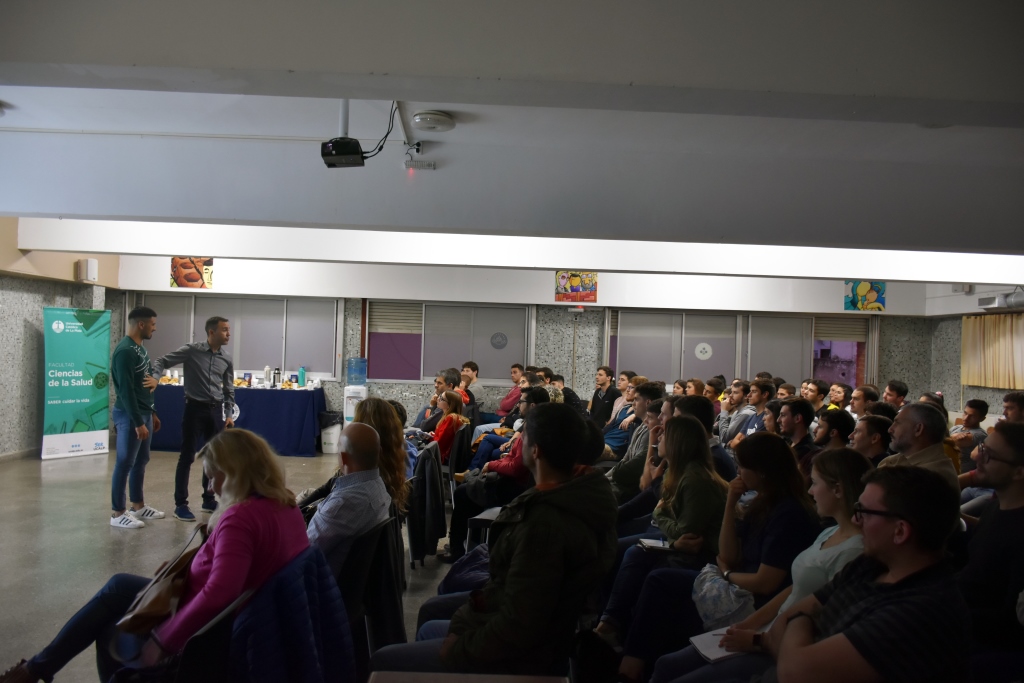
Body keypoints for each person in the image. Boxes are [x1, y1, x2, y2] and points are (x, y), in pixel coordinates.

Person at [1, 429, 309, 683]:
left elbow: (220, 592)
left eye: (212, 477)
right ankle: (37, 669)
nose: (211, 487)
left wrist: (164, 640)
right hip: (240, 614)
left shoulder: (240, 518)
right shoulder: (285, 505)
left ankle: (37, 670)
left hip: (207, 627)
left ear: (232, 473)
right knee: (118, 586)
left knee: (111, 626)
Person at [371, 403, 617, 676]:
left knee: (384, 660)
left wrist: (461, 647)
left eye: (524, 439)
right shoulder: (572, 495)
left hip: (526, 653)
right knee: (431, 613)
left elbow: (521, 623)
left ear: (535, 451)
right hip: (525, 626)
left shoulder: (545, 526)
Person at [650, 448, 870, 683]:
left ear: (837, 489)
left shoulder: (854, 551)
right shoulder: (830, 531)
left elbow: (824, 624)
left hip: (780, 648)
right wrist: (747, 625)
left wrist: (758, 640)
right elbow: (793, 591)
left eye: (815, 483)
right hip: (768, 628)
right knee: (666, 664)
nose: (810, 490)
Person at [616, 432, 820, 682]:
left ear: (762, 471)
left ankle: (632, 661)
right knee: (656, 577)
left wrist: (726, 573)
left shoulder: (789, 514)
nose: (738, 471)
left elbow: (765, 581)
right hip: (736, 582)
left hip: (753, 598)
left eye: (743, 467)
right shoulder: (763, 502)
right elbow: (728, 554)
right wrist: (730, 501)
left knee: (658, 579)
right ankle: (632, 657)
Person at [756, 467, 969, 683]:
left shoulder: (921, 612)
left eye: (864, 512)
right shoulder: (870, 564)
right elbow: (784, 633)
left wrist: (800, 618)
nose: (856, 521)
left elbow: (794, 673)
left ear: (900, 531)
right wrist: (801, 628)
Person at [595, 416, 729, 648]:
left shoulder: (695, 479)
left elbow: (688, 536)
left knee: (632, 553)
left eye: (665, 434)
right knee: (617, 544)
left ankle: (611, 626)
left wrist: (659, 515)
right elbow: (651, 500)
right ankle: (609, 622)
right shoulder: (677, 472)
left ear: (678, 441)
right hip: (676, 539)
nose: (658, 438)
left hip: (704, 553)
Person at [440, 387, 550, 562]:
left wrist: (491, 465)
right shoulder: (538, 424)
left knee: (462, 493)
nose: (519, 405)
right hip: (517, 483)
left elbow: (516, 467)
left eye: (521, 402)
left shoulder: (533, 428)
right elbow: (515, 459)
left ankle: (457, 550)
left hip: (515, 488)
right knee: (471, 488)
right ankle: (472, 544)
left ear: (533, 405)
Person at [150, 315, 235, 522]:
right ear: (211, 332)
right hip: (194, 410)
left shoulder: (226, 358)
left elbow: (229, 388)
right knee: (187, 457)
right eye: (224, 330)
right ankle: (181, 505)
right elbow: (162, 360)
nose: (229, 334)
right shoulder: (192, 350)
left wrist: (229, 413)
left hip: (215, 412)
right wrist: (155, 376)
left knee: (213, 458)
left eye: (229, 330)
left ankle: (208, 499)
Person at [958, 421, 1024, 657]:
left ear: (1019, 471)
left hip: (988, 648)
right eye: (982, 449)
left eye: (989, 455)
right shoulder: (998, 505)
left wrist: (942, 607)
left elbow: (1010, 622)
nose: (978, 459)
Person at [306, 422, 392, 574]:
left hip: (320, 585)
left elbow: (302, 554)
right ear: (379, 452)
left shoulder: (342, 505)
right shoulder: (379, 486)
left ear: (343, 458)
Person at [109, 305, 164, 529]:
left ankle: (138, 506)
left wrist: (152, 412)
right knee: (124, 462)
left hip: (144, 413)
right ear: (141, 324)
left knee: (141, 461)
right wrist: (139, 422)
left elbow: (145, 383)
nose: (155, 329)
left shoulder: (140, 348)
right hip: (130, 415)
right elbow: (126, 391)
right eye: (153, 324)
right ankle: (117, 513)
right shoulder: (125, 351)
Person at [880, 402, 959, 491]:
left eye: (897, 423)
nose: (890, 429)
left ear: (918, 429)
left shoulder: (930, 477)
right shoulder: (896, 459)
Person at [473, 364, 523, 438]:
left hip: (504, 417)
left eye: (515, 372)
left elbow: (505, 406)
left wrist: (504, 403)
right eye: (511, 373)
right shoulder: (514, 387)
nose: (512, 375)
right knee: (479, 415)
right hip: (502, 415)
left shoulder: (519, 389)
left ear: (522, 373)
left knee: (479, 417)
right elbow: (502, 402)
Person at [779, 398, 819, 477]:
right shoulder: (784, 443)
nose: (778, 420)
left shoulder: (809, 453)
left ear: (797, 418)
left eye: (783, 415)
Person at [950, 398, 989, 473]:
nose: (966, 418)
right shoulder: (956, 428)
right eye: (965, 413)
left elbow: (943, 443)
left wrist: (951, 437)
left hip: (962, 475)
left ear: (982, 419)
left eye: (972, 416)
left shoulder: (980, 435)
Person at [431, 390, 470, 464]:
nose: (438, 399)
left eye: (442, 399)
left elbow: (439, 444)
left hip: (439, 456)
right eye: (440, 396)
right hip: (441, 453)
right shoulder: (455, 417)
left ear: (450, 404)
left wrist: (430, 439)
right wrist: (431, 436)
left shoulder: (451, 418)